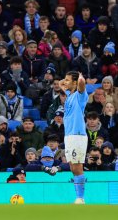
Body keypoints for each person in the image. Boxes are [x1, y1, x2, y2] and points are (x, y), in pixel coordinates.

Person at [59, 71, 88, 204]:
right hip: (69, 136)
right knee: (72, 167)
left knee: (77, 167)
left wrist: (80, 78)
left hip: (77, 135)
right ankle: (78, 197)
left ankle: (80, 198)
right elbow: (61, 84)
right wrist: (64, 83)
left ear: (75, 83)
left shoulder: (80, 96)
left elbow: (81, 84)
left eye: (68, 80)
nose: (65, 82)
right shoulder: (70, 95)